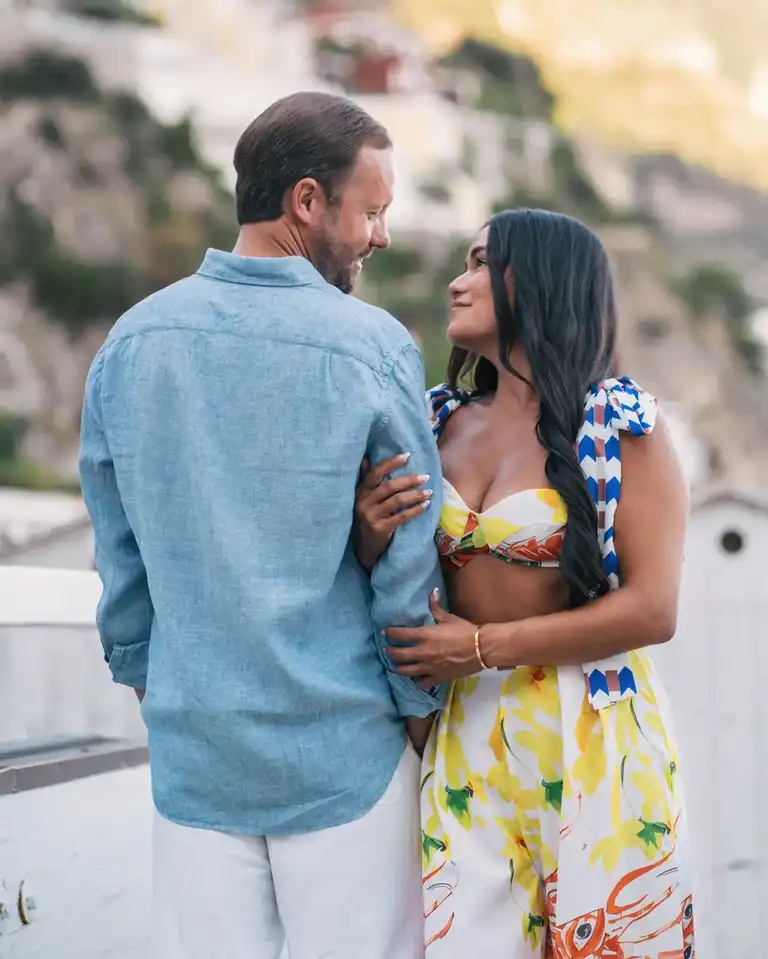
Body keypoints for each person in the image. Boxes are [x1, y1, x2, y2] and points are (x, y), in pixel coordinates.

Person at [78, 91, 444, 959]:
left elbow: (119, 561)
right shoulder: (372, 347)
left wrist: (160, 688)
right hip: (345, 753)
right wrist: (414, 712)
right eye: (372, 212)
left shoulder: (131, 343)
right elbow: (408, 557)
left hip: (196, 758)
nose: (382, 236)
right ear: (307, 201)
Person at [354, 209, 694, 958]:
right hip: (465, 728)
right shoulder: (434, 420)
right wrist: (371, 532)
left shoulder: (618, 424)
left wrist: (482, 645)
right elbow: (395, 574)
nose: (458, 281)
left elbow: (653, 608)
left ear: (537, 281)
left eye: (481, 263)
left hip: (593, 730)